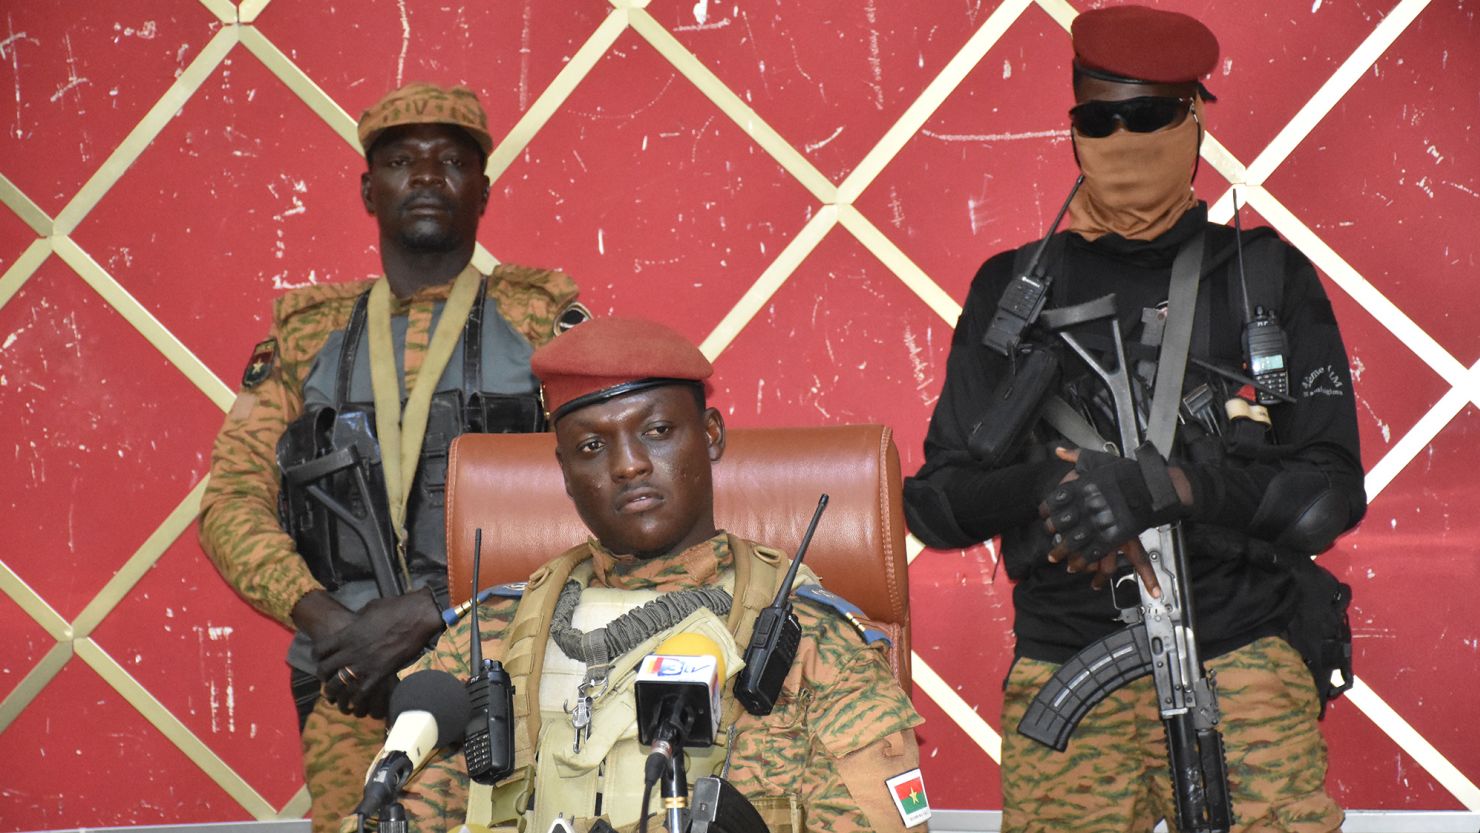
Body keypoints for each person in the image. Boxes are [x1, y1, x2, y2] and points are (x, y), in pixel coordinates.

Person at [902, 6, 1365, 832]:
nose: (1122, 139)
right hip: (1068, 667)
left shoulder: (1261, 276)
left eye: (1147, 116)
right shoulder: (1014, 293)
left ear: (1193, 121)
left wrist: (1169, 488)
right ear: (1073, 130)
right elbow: (936, 504)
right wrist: (1051, 485)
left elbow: (1329, 495)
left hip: (1240, 659)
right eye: (1098, 120)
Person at [198, 82, 585, 833]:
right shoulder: (305, 339)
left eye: (453, 161)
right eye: (403, 161)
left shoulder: (541, 323)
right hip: (349, 682)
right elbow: (230, 503)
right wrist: (332, 624)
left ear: (483, 191)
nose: (428, 176)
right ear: (368, 190)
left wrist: (432, 609)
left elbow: (598, 497)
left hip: (508, 665)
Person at [383, 317, 928, 833]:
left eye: (658, 430)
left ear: (710, 435)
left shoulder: (811, 641)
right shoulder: (493, 636)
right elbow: (398, 808)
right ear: (566, 473)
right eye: (592, 447)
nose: (628, 465)